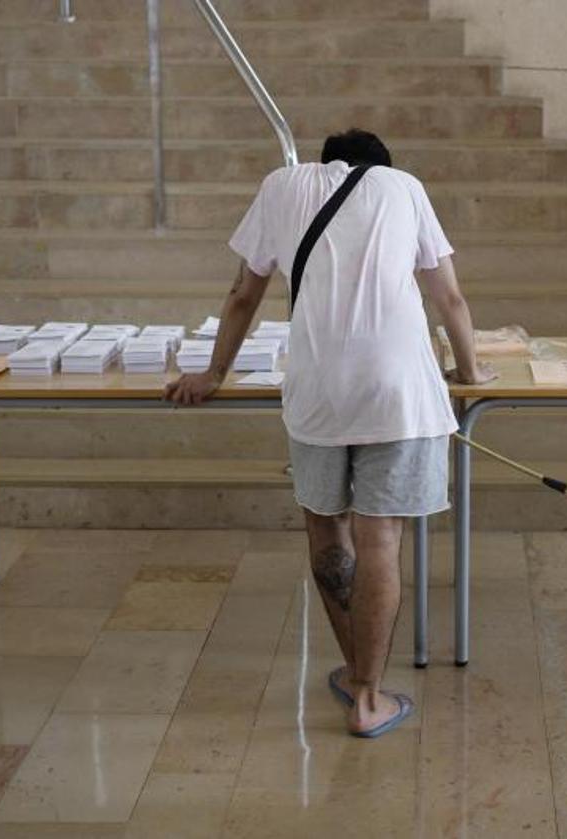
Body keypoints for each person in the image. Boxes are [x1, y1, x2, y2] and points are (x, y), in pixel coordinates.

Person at [164, 129, 494, 737]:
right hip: (396, 391)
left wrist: (214, 373)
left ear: (328, 162)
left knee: (326, 527)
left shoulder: (282, 186)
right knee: (381, 540)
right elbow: (448, 295)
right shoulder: (404, 187)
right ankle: (370, 696)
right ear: (380, 166)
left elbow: (243, 295)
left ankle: (353, 671)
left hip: (317, 390)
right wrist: (470, 373)